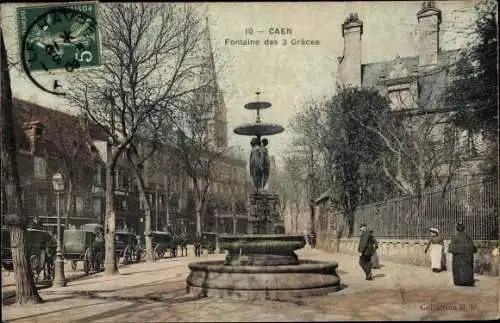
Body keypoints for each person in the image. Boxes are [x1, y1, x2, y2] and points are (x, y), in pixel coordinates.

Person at [448, 222, 477, 286]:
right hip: (467, 257)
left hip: (458, 257)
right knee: (467, 269)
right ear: (463, 229)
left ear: (457, 229)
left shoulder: (455, 237)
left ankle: (459, 281)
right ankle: (467, 281)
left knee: (458, 269)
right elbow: (473, 248)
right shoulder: (468, 237)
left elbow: (450, 248)